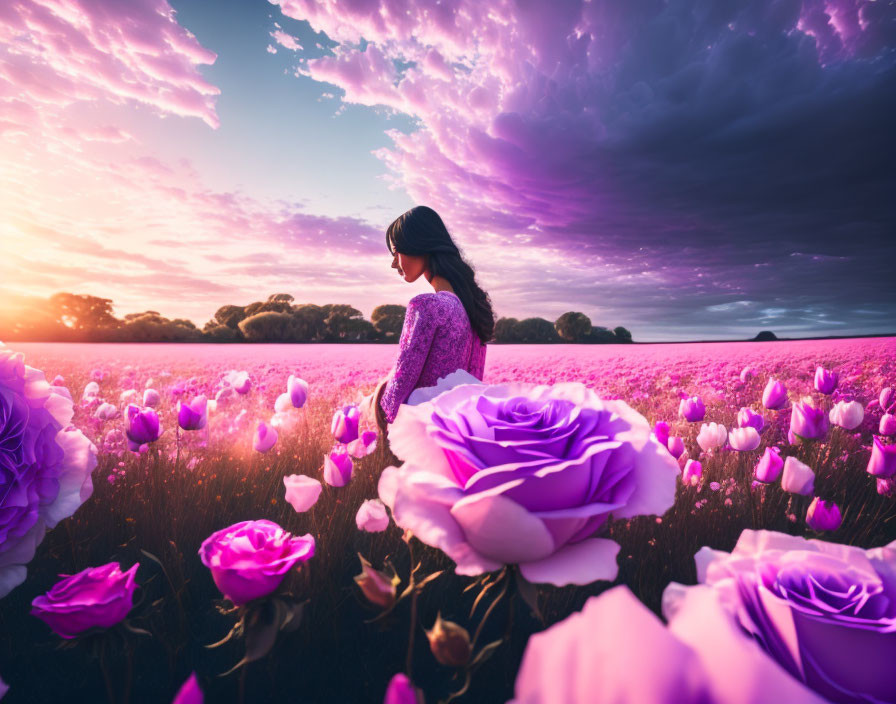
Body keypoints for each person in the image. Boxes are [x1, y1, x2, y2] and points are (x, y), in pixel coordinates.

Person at [359, 206, 495, 440]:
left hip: (418, 436)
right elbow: (473, 382)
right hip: (460, 434)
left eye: (395, 252)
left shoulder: (426, 306)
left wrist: (374, 413)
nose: (394, 263)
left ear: (419, 245)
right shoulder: (474, 313)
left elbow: (402, 381)